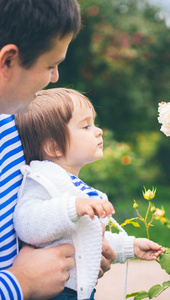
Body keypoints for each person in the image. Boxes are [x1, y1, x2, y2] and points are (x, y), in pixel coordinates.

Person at [0, 1, 116, 299]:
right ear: (8, 61)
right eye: (51, 65)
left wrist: (75, 253)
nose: (55, 78)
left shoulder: (11, 122)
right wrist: (20, 283)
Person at [14, 88, 165, 300]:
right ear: (54, 146)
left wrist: (130, 246)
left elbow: (86, 237)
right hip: (55, 293)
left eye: (93, 123)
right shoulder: (41, 179)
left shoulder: (68, 182)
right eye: (85, 126)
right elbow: (26, 224)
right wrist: (73, 206)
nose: (99, 130)